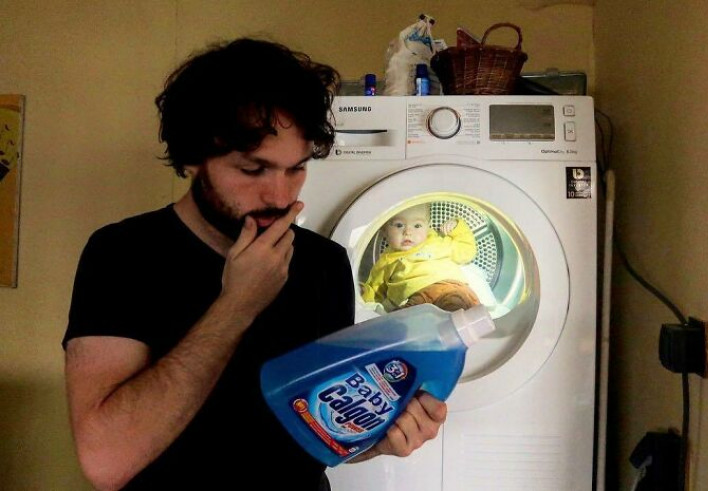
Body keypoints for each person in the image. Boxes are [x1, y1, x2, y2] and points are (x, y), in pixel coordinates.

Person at [62, 37, 447, 491]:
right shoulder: (121, 253)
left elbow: (315, 425)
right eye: (252, 170)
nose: (280, 196)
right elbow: (106, 461)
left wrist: (376, 438)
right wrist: (237, 305)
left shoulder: (324, 263)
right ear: (192, 159)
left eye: (296, 168)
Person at [361, 203, 481, 313]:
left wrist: (457, 227)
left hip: (449, 287)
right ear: (384, 230)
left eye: (417, 225)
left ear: (427, 226)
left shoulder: (437, 241)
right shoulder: (387, 260)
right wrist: (363, 293)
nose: (408, 232)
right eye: (399, 225)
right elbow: (375, 290)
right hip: (415, 297)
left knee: (457, 304)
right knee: (403, 318)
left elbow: (467, 251)